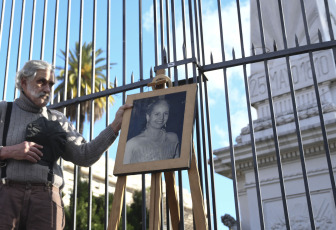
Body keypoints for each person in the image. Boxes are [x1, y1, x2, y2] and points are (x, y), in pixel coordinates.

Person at [0, 60, 132, 230]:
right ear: (23, 82)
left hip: (45, 200)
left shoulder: (57, 119)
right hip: (6, 196)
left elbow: (84, 155)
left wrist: (115, 125)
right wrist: (10, 151)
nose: (47, 89)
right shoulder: (4, 110)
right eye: (41, 81)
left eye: (50, 84)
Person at [123, 98, 180, 164]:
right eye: (156, 114)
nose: (161, 118)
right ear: (148, 117)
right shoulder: (132, 144)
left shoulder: (173, 138)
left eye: (165, 113)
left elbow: (176, 167)